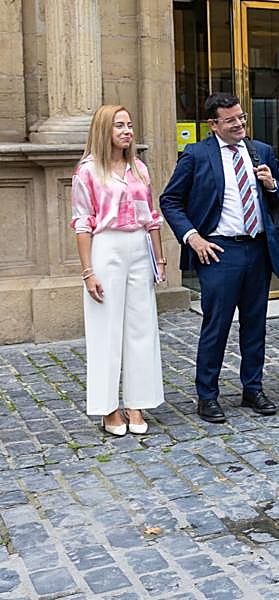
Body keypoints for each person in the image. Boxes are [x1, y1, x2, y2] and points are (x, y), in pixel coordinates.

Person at [160, 93, 279, 424]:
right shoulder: (197, 154)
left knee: (256, 324)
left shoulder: (260, 151)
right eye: (231, 120)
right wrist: (193, 237)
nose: (239, 124)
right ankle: (207, 396)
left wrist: (273, 186)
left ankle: (253, 388)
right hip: (219, 251)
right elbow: (170, 200)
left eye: (241, 117)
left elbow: (276, 200)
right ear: (214, 124)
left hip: (257, 248)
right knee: (217, 325)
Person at [71, 106, 165, 437]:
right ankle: (108, 407)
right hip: (106, 246)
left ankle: (137, 403)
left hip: (138, 247)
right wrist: (88, 271)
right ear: (103, 130)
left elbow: (151, 216)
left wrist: (159, 258)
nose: (127, 131)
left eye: (129, 124)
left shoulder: (138, 169)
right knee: (105, 329)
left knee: (141, 326)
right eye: (119, 126)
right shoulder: (88, 172)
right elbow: (82, 222)